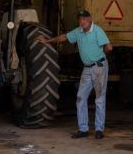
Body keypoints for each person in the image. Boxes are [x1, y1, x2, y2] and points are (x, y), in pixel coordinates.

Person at [37, 9, 112, 139]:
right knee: (80, 98)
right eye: (80, 19)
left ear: (90, 19)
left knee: (99, 98)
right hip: (87, 69)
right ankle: (83, 129)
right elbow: (64, 37)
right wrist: (47, 41)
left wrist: (99, 56)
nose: (82, 22)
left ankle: (99, 129)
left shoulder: (97, 31)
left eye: (84, 19)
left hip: (99, 67)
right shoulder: (78, 31)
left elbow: (109, 47)